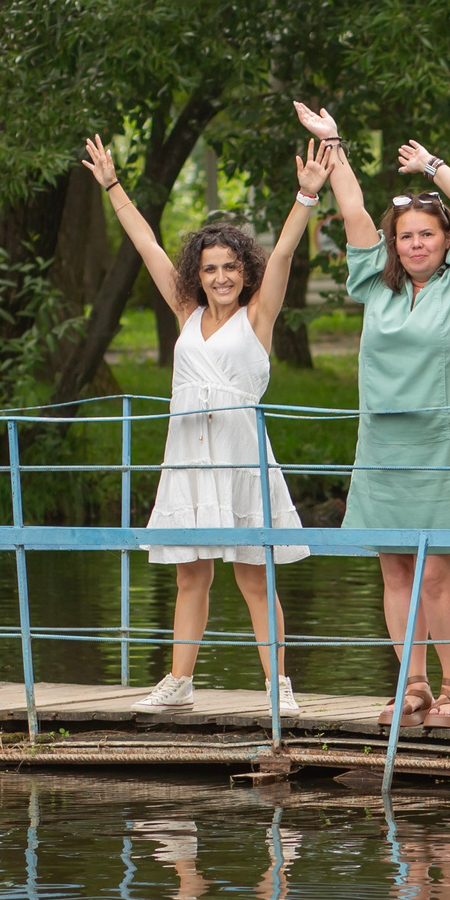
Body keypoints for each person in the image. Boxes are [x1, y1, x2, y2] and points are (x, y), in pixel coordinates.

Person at [84, 135, 327, 715]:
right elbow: (146, 244)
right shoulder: (186, 313)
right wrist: (113, 186)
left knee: (253, 577)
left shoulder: (257, 316)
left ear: (245, 272)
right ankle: (179, 681)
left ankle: (278, 685)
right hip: (189, 459)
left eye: (231, 268)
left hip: (241, 459)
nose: (221, 277)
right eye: (211, 268)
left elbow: (285, 253)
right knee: (190, 576)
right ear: (198, 273)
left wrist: (306, 197)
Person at [297, 105, 450, 732]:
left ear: (447, 240)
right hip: (384, 446)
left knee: (437, 574)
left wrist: (430, 166)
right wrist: (333, 144)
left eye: (427, 235)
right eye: (406, 236)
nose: (415, 244)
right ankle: (413, 687)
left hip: (447, 447)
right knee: (396, 570)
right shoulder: (377, 285)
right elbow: (354, 211)